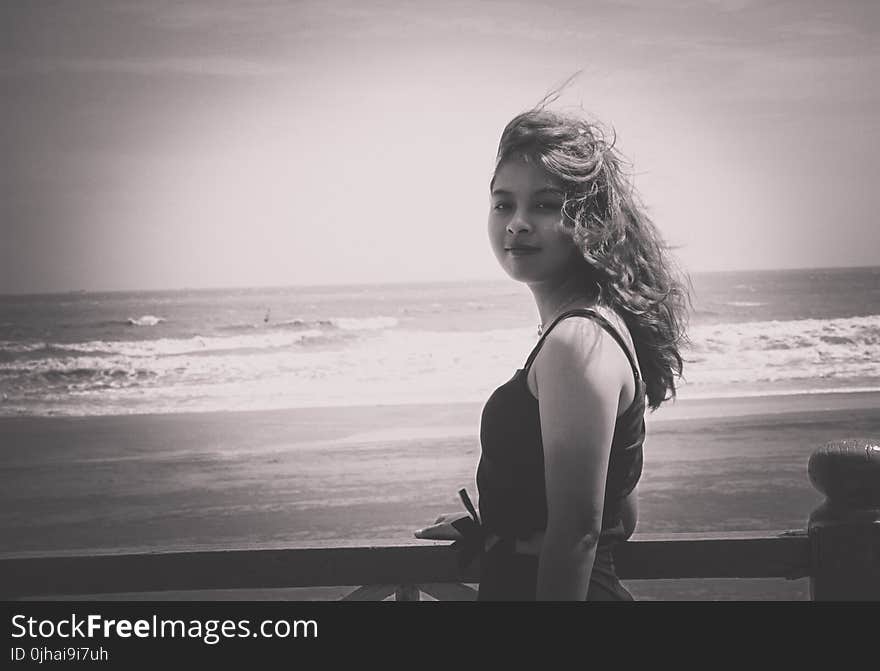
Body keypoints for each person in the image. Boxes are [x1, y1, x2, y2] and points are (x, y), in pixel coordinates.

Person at [468, 96, 690, 601]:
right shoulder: (592, 330)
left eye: (545, 205)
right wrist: (499, 526)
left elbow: (578, 536)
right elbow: (620, 518)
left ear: (590, 222)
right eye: (504, 203)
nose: (517, 222)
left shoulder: (576, 343)